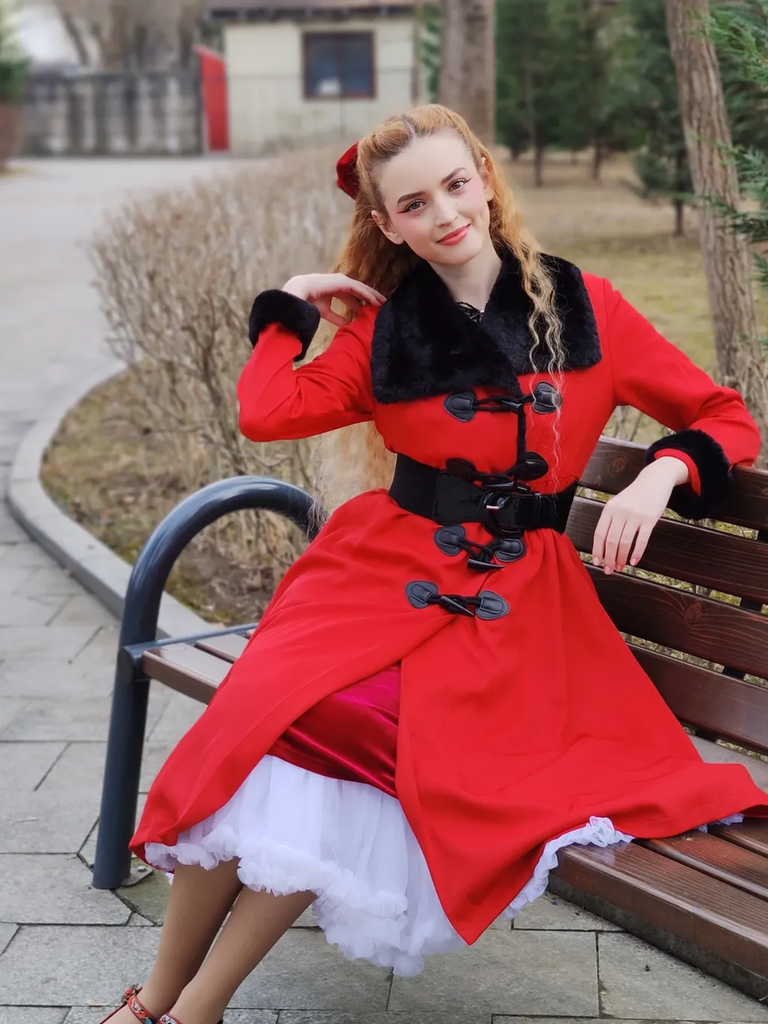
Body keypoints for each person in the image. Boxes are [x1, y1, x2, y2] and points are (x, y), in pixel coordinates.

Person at [101, 104, 768, 1024]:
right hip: (377, 571)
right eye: (414, 203)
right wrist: (292, 309)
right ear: (388, 225)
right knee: (280, 711)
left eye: (457, 184)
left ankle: (180, 1011)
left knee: (339, 724)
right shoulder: (386, 332)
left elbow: (726, 416)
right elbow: (267, 413)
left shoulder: (586, 308)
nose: (446, 213)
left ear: (485, 177)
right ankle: (162, 1003)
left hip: (520, 603)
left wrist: (662, 471)